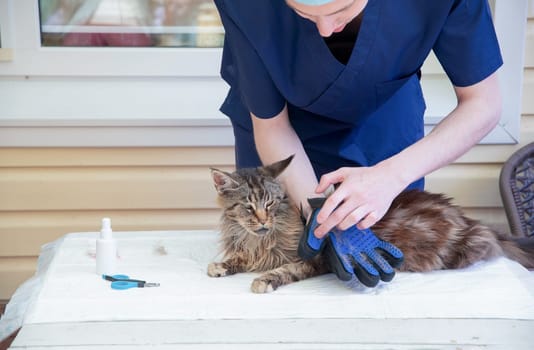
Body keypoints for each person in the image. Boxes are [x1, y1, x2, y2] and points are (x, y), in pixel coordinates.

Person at [213, 0, 502, 239]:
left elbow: (483, 103)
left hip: (383, 125)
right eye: (302, 13)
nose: (325, 30)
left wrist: (391, 176)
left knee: (388, 264)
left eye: (341, 11)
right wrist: (317, 217)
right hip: (281, 145)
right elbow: (272, 126)